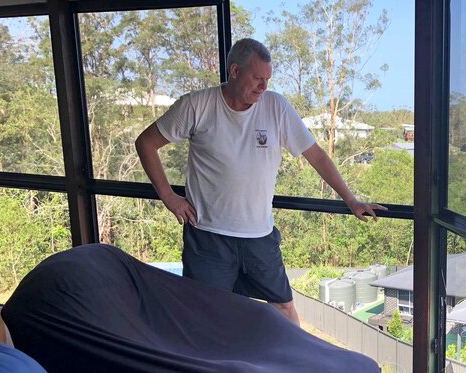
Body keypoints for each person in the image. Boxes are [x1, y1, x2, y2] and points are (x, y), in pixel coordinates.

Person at [135, 38, 386, 327]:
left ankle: (295, 367)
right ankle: (214, 371)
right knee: (204, 314)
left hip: (259, 235)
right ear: (235, 71)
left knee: (284, 307)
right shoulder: (197, 105)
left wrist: (350, 199)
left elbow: (315, 155)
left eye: (268, 79)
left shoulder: (275, 106)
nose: (263, 87)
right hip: (208, 235)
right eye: (257, 78)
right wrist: (168, 196)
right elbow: (146, 143)